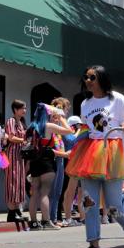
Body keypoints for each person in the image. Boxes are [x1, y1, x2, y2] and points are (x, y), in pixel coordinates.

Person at [65, 65, 124, 248]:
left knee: (114, 205)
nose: (88, 80)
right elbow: (85, 127)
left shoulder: (118, 99)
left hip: (113, 152)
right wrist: (76, 141)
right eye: (86, 77)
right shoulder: (85, 103)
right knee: (89, 202)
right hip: (89, 153)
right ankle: (94, 246)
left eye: (92, 77)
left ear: (101, 78)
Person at [26, 103, 74, 230]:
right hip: (46, 162)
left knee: (35, 193)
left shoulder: (31, 127)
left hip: (34, 162)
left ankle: (34, 223)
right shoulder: (48, 126)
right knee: (44, 193)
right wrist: (61, 118)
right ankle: (46, 222)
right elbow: (69, 131)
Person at [3, 100, 28, 223]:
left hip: (19, 155)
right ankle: (11, 213)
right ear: (15, 109)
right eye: (23, 108)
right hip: (12, 154)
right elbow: (11, 137)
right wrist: (24, 140)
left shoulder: (21, 122)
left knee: (19, 182)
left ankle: (17, 210)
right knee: (12, 181)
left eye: (25, 108)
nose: (25, 110)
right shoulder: (11, 121)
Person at [48, 97, 71, 226]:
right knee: (52, 191)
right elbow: (48, 149)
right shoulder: (50, 124)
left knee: (57, 192)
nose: (64, 112)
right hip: (54, 160)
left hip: (60, 159)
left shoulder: (57, 126)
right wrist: (64, 154)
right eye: (61, 109)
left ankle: (54, 218)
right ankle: (50, 219)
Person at [60, 116, 85, 227]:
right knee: (68, 192)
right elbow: (72, 141)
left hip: (75, 163)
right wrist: (79, 130)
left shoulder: (74, 132)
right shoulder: (68, 133)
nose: (80, 127)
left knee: (74, 192)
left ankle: (70, 217)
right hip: (69, 163)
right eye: (78, 125)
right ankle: (68, 217)